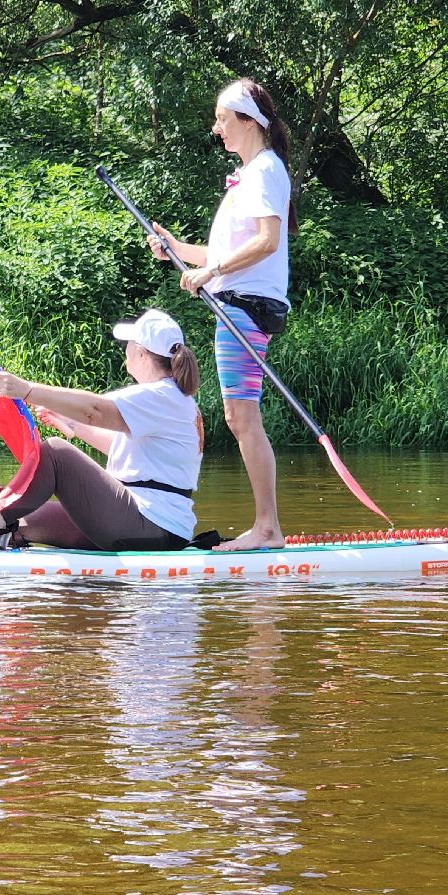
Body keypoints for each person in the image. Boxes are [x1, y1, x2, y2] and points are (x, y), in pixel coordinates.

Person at [146, 77, 296, 551]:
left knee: (241, 417)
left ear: (248, 120)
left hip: (246, 307)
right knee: (240, 416)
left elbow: (266, 242)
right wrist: (176, 250)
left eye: (222, 118)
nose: (216, 128)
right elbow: (225, 250)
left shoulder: (264, 171)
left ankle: (268, 529)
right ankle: (268, 527)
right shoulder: (252, 174)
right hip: (241, 302)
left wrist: (210, 270)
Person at [0, 309, 203, 554]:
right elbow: (125, 447)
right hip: (153, 525)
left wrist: (28, 391)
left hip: (150, 527)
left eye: (129, 343)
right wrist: (74, 426)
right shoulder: (174, 399)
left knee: (54, 452)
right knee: (23, 522)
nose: (125, 348)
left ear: (141, 352)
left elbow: (95, 409)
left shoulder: (160, 396)